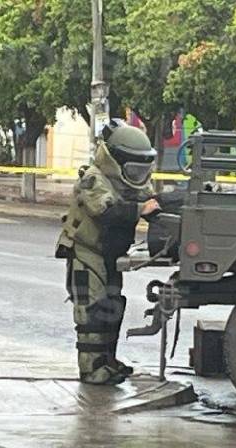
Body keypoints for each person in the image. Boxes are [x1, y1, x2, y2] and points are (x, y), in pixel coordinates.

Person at [55, 119, 160, 385]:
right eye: (134, 168)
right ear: (116, 160)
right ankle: (92, 369)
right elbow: (108, 212)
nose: (138, 175)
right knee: (92, 314)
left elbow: (149, 199)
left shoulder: (126, 182)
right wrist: (141, 210)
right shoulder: (93, 179)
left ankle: (108, 361)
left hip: (110, 255)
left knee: (111, 308)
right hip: (87, 254)